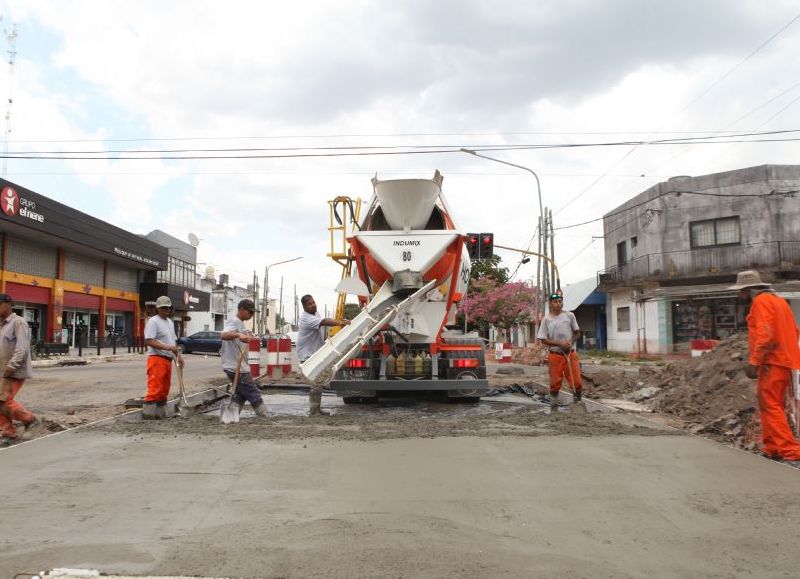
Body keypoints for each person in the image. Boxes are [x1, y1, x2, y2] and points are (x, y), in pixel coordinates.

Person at [731, 270, 800, 467]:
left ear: (749, 290)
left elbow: (766, 334)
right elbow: (794, 331)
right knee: (771, 406)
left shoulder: (761, 303)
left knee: (771, 406)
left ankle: (789, 451)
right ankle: (773, 448)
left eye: (742, 291)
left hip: (772, 362)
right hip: (784, 361)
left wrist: (755, 361)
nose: (740, 296)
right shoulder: (779, 302)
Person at [0, 293, 43, 446]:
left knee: (3, 400)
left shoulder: (18, 322)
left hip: (13, 370)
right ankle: (8, 433)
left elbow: (22, 348)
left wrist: (12, 366)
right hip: (2, 370)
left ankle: (30, 420)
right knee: (1, 402)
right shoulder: (2, 325)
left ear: (8, 304)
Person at [297, 294, 350, 416]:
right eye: (309, 304)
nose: (313, 305)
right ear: (304, 307)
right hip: (307, 354)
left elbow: (322, 326)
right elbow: (324, 322)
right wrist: (340, 322)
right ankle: (314, 410)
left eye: (313, 302)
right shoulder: (307, 318)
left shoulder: (314, 314)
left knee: (319, 381)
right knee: (317, 381)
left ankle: (316, 409)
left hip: (314, 352)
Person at [220, 299, 267, 419]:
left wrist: (246, 334)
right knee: (253, 393)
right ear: (241, 309)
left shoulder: (239, 323)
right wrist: (238, 335)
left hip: (237, 366)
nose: (251, 315)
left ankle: (230, 417)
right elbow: (223, 335)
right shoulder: (234, 321)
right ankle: (264, 416)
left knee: (240, 395)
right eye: (250, 312)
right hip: (236, 367)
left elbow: (240, 334)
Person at [537, 293, 582, 412]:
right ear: (550, 304)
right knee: (555, 382)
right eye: (555, 301)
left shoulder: (570, 316)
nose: (558, 303)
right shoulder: (546, 319)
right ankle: (554, 407)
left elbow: (577, 333)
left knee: (576, 381)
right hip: (555, 355)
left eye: (560, 301)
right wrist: (559, 344)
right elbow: (543, 339)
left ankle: (578, 404)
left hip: (570, 354)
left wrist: (571, 341)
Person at [143, 295, 184, 420]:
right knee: (155, 389)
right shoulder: (153, 321)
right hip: (157, 358)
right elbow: (149, 341)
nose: (167, 310)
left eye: (168, 308)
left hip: (168, 360)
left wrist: (179, 356)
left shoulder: (169, 322)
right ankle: (149, 416)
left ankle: (160, 416)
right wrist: (168, 348)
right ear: (158, 309)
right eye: (164, 308)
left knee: (164, 390)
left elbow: (173, 343)